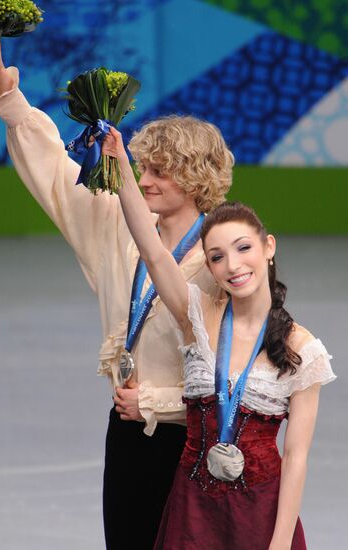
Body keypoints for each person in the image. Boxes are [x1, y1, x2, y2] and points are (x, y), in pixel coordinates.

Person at [0, 37, 235, 549]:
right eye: (143, 167)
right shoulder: (117, 225)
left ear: (195, 177)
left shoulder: (223, 253)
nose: (145, 179)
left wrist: (155, 401)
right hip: (129, 431)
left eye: (160, 171)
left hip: (193, 436)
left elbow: (233, 367)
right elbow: (54, 173)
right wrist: (1, 82)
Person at [102, 127, 336, 549]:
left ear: (268, 247)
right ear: (207, 268)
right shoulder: (196, 318)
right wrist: (119, 163)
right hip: (192, 511)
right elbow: (153, 251)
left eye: (243, 248)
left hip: (259, 515)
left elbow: (296, 458)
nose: (233, 265)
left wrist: (280, 543)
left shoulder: (303, 350)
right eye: (217, 256)